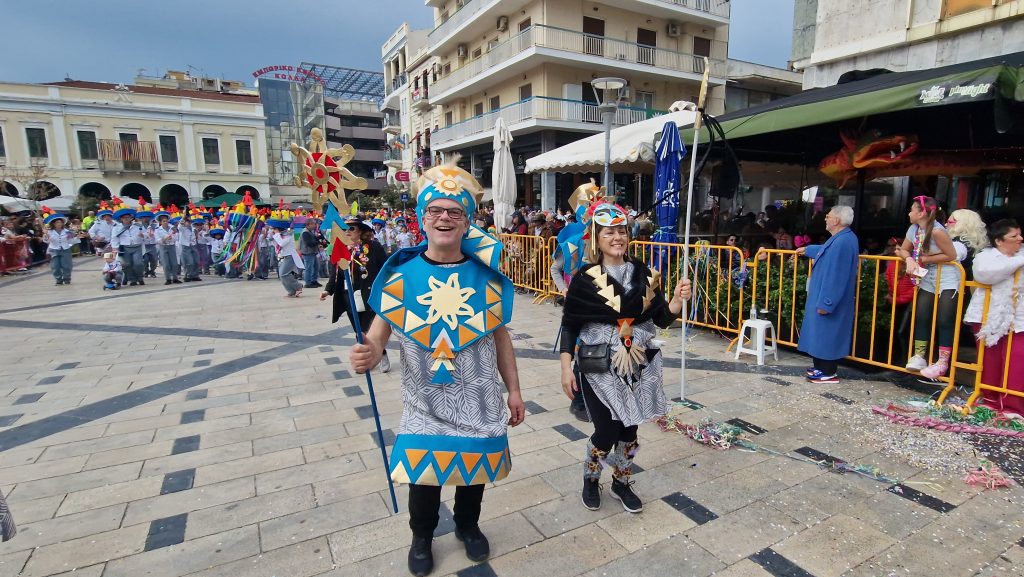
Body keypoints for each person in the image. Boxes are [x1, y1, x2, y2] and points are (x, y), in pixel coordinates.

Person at [350, 162, 524, 577]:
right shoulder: (400, 274)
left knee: (473, 471)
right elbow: (380, 331)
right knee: (423, 477)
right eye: (436, 211)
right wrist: (371, 352)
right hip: (424, 399)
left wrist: (513, 391)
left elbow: (501, 339)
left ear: (466, 223)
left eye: (455, 212)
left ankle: (468, 525)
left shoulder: (488, 278)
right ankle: (421, 536)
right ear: (422, 219)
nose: (444, 218)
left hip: (479, 398)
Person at [560, 199, 691, 514]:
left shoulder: (644, 274)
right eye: (609, 233)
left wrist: (674, 301)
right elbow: (570, 326)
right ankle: (591, 478)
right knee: (606, 430)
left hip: (638, 364)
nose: (617, 237)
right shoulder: (584, 278)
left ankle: (621, 480)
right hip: (598, 366)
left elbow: (660, 318)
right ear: (597, 238)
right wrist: (566, 368)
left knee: (630, 431)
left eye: (621, 231)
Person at [894, 196, 960, 380]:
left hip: (946, 277)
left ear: (921, 213)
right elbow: (904, 249)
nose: (908, 213)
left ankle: (942, 361)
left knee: (944, 319)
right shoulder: (913, 229)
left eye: (911, 209)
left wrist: (923, 260)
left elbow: (951, 254)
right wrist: (908, 259)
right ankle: (919, 355)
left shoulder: (938, 231)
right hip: (927, 276)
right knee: (922, 314)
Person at [963, 219, 1024, 415]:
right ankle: (989, 400)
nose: (1020, 239)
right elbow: (985, 275)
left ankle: (1012, 406)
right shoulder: (985, 256)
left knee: (1017, 360)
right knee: (990, 360)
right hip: (987, 314)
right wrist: (1018, 262)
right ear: (999, 241)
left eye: (1020, 235)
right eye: (1014, 236)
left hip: (1019, 316)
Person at [795, 205, 859, 383]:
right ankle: (820, 368)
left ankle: (828, 371)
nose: (825, 218)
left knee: (828, 334)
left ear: (837, 220)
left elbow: (837, 276)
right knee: (822, 334)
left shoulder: (843, 241)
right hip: (825, 295)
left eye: (828, 216)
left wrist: (827, 303)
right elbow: (826, 251)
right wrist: (808, 250)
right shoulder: (841, 239)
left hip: (830, 298)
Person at [321, 217, 391, 372]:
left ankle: (381, 353)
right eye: (344, 229)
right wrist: (328, 290)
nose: (347, 232)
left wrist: (386, 288)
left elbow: (385, 268)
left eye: (351, 229)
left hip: (368, 295)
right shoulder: (340, 249)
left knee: (367, 329)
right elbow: (335, 274)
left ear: (361, 232)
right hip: (348, 296)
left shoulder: (374, 247)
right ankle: (365, 359)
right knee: (358, 331)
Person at [269, 210, 303, 298]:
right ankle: (291, 291)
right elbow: (276, 245)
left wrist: (276, 235)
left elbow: (281, 243)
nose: (273, 230)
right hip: (285, 256)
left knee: (283, 274)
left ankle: (298, 286)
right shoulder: (281, 235)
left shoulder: (289, 235)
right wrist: (272, 237)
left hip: (291, 256)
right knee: (282, 275)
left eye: (274, 229)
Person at [110, 203, 145, 286]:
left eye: (127, 217)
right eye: (124, 218)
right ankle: (132, 279)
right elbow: (114, 238)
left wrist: (144, 235)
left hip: (137, 246)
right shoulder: (117, 228)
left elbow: (146, 234)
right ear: (121, 219)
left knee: (138, 264)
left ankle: (140, 277)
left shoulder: (138, 226)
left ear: (131, 218)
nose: (126, 219)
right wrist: (115, 248)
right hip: (125, 247)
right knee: (127, 265)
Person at [42, 208, 75, 285]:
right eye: (57, 222)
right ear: (53, 223)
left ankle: (67, 279)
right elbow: (46, 241)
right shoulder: (49, 232)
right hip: (54, 250)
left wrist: (76, 237)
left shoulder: (67, 231)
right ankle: (58, 280)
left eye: (60, 222)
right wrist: (46, 235)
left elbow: (71, 240)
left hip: (65, 249)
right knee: (55, 266)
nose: (59, 224)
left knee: (66, 266)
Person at [154, 209, 181, 285]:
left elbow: (177, 237)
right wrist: (164, 239)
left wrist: (172, 238)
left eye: (166, 221)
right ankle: (168, 278)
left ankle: (175, 278)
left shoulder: (172, 228)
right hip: (163, 247)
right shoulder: (158, 230)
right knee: (166, 264)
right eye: (163, 221)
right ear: (160, 222)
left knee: (174, 263)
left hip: (171, 246)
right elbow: (157, 240)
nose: (165, 222)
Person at [177, 213, 202, 282]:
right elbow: (179, 226)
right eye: (187, 221)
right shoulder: (182, 228)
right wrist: (183, 217)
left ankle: (195, 275)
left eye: (190, 221)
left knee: (196, 261)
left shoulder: (193, 228)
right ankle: (187, 275)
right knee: (189, 262)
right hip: (186, 246)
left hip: (193, 245)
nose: (189, 222)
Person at [300, 217, 322, 288]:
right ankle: (308, 282)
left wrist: (319, 239)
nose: (315, 225)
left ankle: (313, 280)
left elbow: (314, 239)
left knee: (316, 267)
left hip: (312, 252)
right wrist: (317, 242)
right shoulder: (305, 232)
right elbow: (309, 243)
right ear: (308, 225)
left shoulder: (310, 232)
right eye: (313, 224)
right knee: (309, 268)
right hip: (307, 253)